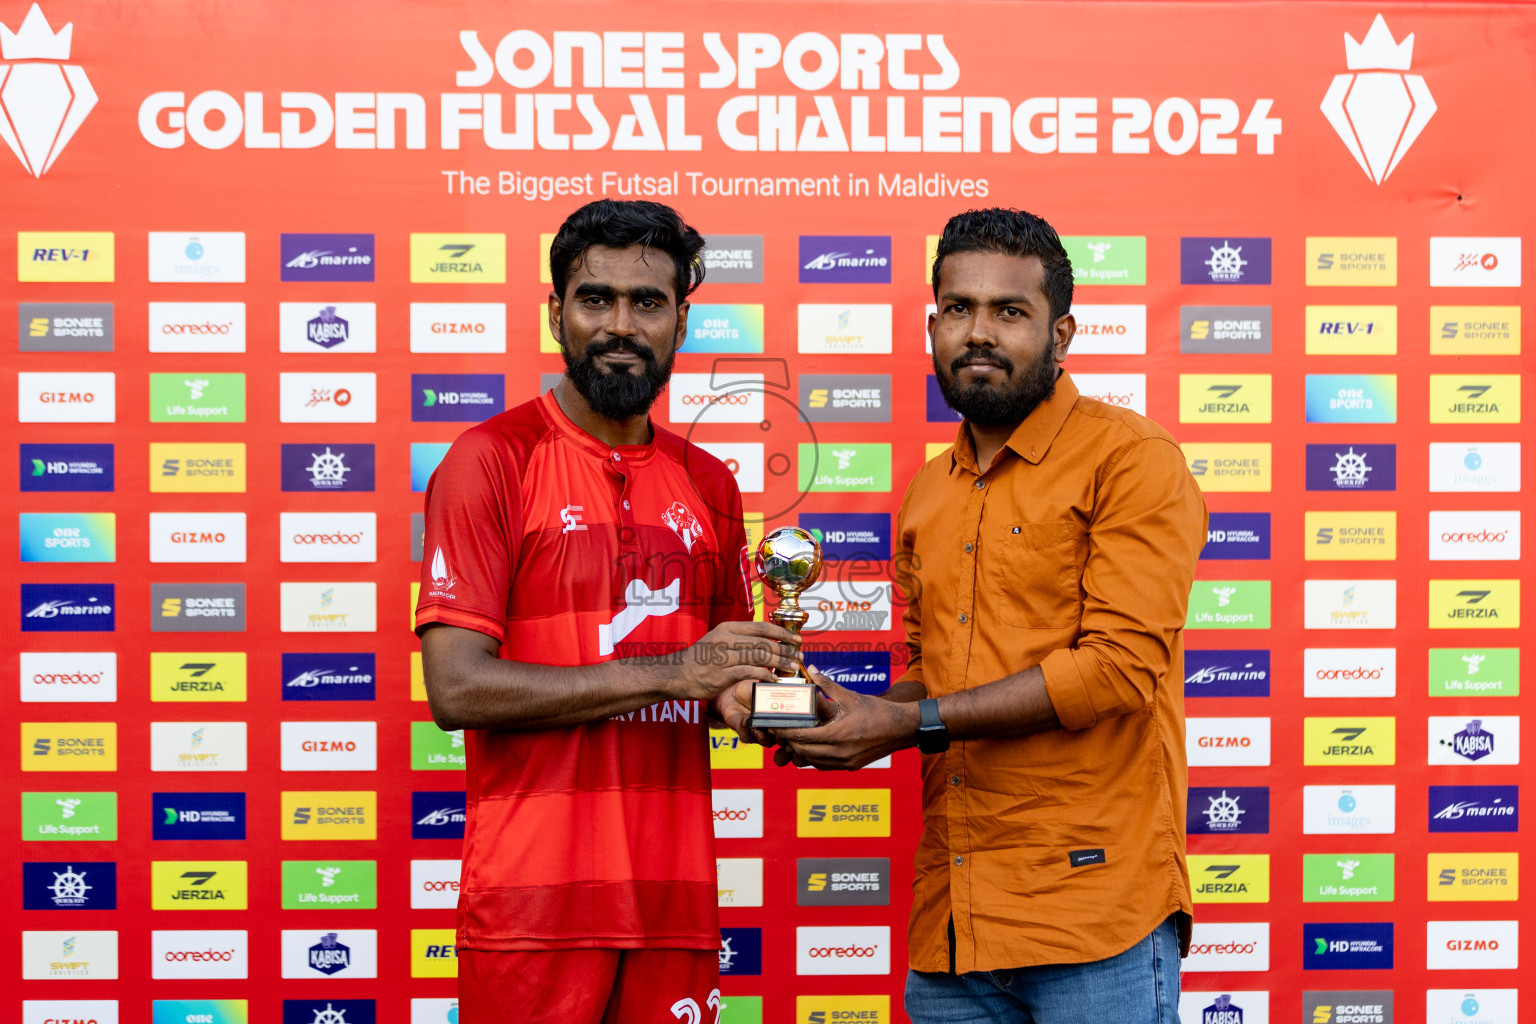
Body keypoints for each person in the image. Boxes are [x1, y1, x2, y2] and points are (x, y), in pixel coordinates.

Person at [753, 208, 1207, 1022]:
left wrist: (904, 726)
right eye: (958, 310)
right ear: (932, 326)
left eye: (1010, 312)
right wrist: (837, 713)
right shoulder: (931, 492)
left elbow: (1117, 669)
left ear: (1061, 333)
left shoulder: (1133, 461)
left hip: (1094, 919)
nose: (978, 334)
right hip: (955, 923)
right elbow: (940, 676)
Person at [414, 199, 800, 1023]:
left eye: (647, 303)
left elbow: (723, 682)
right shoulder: (491, 461)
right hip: (533, 908)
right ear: (557, 312)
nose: (619, 325)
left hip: (674, 904)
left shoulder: (709, 483)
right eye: (595, 299)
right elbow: (457, 688)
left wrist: (793, 707)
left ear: (681, 321)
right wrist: (678, 670)